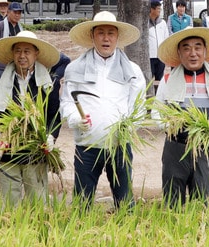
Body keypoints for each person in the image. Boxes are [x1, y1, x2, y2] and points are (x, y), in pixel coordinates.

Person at [60, 11, 147, 209]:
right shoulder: (75, 68)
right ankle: (81, 236)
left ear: (117, 37)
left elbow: (139, 105)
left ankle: (126, 236)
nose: (106, 38)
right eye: (100, 33)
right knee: (82, 202)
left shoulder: (132, 70)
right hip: (87, 145)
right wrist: (76, 120)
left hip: (119, 146)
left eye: (111, 33)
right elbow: (67, 102)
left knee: (124, 201)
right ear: (92, 36)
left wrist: (131, 126)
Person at [153, 27, 209, 204]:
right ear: (179, 53)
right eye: (186, 48)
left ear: (205, 51)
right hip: (175, 147)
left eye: (197, 47)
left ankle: (200, 230)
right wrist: (167, 126)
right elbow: (157, 111)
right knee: (172, 198)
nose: (193, 53)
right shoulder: (167, 80)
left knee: (201, 198)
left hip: (205, 147)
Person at [0, 31, 62, 207]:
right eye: (18, 51)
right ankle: (9, 233)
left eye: (27, 51)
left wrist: (50, 136)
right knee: (9, 204)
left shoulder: (47, 83)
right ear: (13, 54)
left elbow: (54, 114)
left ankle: (38, 233)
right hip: (9, 151)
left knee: (38, 203)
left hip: (36, 150)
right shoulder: (0, 82)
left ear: (36, 54)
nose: (22, 56)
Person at [0, 1, 26, 83]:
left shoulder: (21, 28)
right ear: (8, 12)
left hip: (16, 65)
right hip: (0, 66)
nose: (17, 15)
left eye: (19, 13)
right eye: (15, 12)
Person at [145, 0, 170, 83]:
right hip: (149, 56)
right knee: (149, 79)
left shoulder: (162, 22)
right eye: (158, 9)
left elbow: (166, 37)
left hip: (160, 56)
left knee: (160, 79)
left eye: (160, 9)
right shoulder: (145, 23)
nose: (159, 11)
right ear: (152, 9)